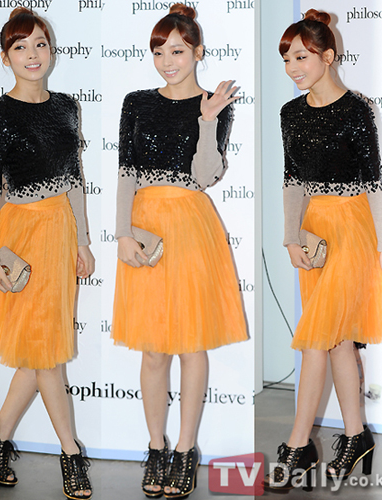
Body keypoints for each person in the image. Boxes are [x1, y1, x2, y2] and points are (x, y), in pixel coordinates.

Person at [0, 8, 94, 499]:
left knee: (41, 349)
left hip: (60, 234)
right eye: (20, 47)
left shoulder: (67, 107)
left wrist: (82, 240)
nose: (33, 54)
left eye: (40, 43)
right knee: (47, 353)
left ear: (51, 50)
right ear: (5, 56)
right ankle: (71, 454)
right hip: (22, 238)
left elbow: (74, 177)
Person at [111, 3, 247, 498]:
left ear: (198, 52)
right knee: (152, 349)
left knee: (191, 344)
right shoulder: (136, 102)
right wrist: (122, 233)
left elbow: (205, 176)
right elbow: (126, 172)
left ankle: (186, 449)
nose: (167, 62)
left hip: (191, 226)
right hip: (145, 227)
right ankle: (156, 446)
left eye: (177, 51)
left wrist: (208, 120)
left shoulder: (217, 103)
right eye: (159, 52)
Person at [264, 9, 382, 492]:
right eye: (286, 59)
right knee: (337, 340)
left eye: (301, 57)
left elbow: (374, 183)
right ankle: (356, 435)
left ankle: (297, 444)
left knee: (317, 338)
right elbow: (292, 181)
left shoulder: (358, 109)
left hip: (353, 228)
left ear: (328, 55)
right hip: (314, 234)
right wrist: (290, 237)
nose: (292, 67)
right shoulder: (291, 113)